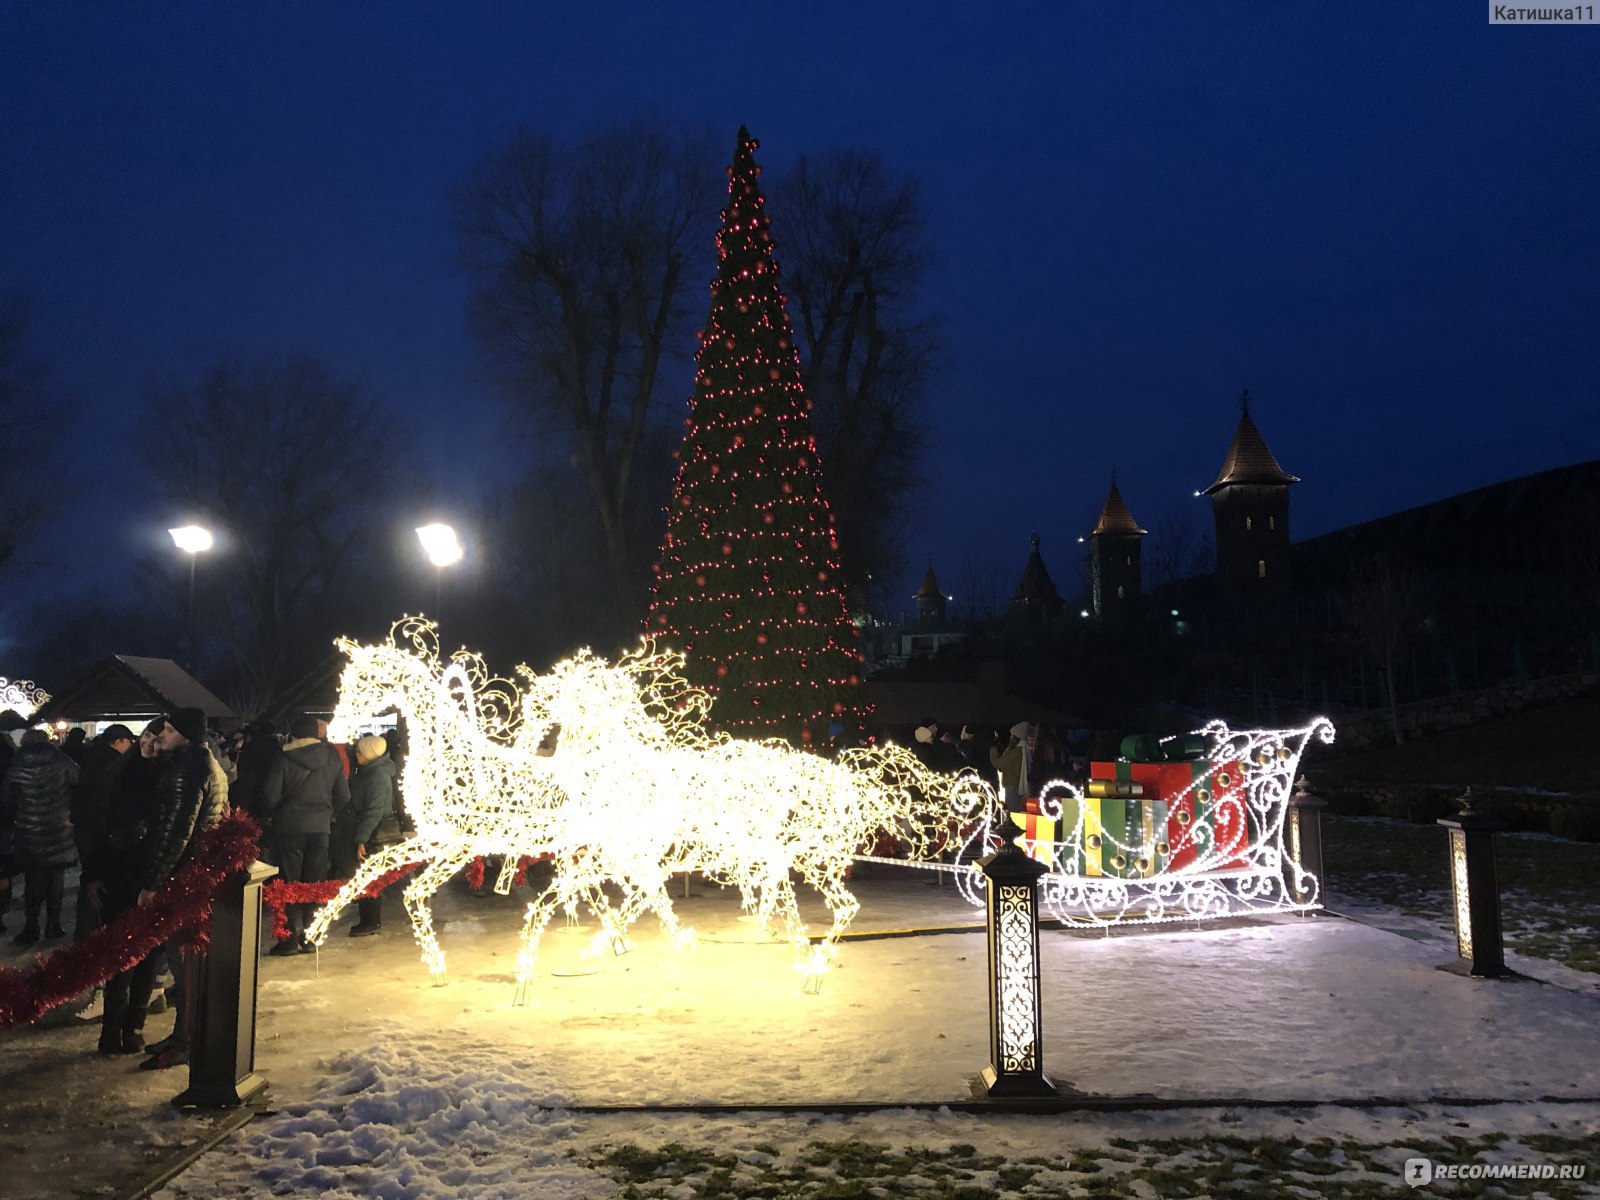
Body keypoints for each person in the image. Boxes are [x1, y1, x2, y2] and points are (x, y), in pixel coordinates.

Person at [130, 707, 229, 1069]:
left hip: (183, 878)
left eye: (169, 730)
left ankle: (187, 1040)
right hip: (195, 875)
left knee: (184, 963)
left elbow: (176, 831)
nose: (162, 737)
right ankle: (182, 1034)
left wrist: (153, 883)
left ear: (186, 734)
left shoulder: (189, 770)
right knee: (183, 963)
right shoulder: (204, 764)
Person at [93, 719, 167, 1055]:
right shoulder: (117, 773)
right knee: (119, 956)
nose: (151, 742)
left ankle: (133, 1028)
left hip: (151, 875)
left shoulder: (170, 774)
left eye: (158, 737)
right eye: (148, 735)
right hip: (118, 874)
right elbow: (98, 823)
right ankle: (112, 1031)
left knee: (148, 956)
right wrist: (92, 875)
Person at [260, 715, 348, 955]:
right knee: (314, 883)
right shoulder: (331, 756)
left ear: (294, 734)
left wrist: (270, 814)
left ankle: (287, 940)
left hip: (288, 828)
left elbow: (270, 795)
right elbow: (343, 795)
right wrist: (328, 815)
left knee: (288, 884)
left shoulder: (283, 756)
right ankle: (311, 936)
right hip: (321, 828)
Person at [2, 728, 81, 943]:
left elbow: (7, 801)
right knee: (56, 876)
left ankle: (31, 926)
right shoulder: (63, 762)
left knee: (33, 879)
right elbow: (79, 784)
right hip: (59, 828)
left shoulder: (16, 768)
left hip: (29, 831)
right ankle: (54, 925)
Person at [69, 724, 135, 939]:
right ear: (119, 742)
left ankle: (84, 937)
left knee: (89, 881)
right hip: (98, 831)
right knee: (97, 885)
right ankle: (89, 938)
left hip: (84, 828)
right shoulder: (113, 764)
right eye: (129, 743)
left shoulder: (89, 758)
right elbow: (104, 804)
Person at [336, 735, 401, 937]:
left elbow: (374, 810)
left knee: (368, 876)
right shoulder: (367, 772)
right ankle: (368, 917)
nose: (356, 755)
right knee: (364, 875)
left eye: (360, 752)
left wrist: (362, 839)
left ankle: (371, 920)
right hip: (363, 828)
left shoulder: (377, 777)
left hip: (372, 833)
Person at [989, 721, 1038, 814]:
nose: (1010, 737)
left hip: (1013, 786)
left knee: (1014, 812)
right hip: (1017, 785)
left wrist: (993, 750)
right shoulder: (1023, 749)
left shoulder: (1016, 752)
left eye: (1012, 735)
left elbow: (998, 763)